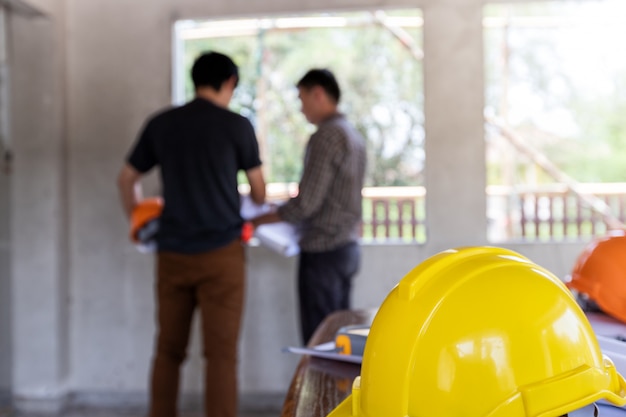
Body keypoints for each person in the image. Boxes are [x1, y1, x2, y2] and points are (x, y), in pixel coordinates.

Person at [116, 51, 266, 417]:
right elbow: (260, 192)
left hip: (173, 254)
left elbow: (126, 178)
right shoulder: (237, 126)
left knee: (168, 350)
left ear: (195, 80)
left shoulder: (162, 124)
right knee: (221, 356)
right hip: (222, 256)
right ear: (229, 83)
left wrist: (139, 222)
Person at [252, 69, 366, 345]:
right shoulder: (353, 135)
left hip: (323, 252)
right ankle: (341, 391)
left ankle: (319, 390)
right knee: (340, 340)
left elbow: (306, 204)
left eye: (302, 99)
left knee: (320, 343)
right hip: (347, 247)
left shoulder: (326, 136)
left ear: (319, 94)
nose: (301, 109)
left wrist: (258, 220)